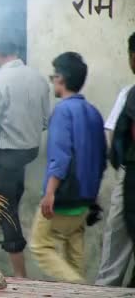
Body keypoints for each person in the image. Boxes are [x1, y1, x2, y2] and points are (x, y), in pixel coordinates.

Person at [30, 52, 106, 283]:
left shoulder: (63, 111)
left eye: (53, 76)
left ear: (61, 78)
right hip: (85, 199)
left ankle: (82, 290)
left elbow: (60, 157)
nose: (52, 80)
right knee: (74, 257)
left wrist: (50, 193)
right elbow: (102, 158)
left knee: (40, 246)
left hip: (64, 198)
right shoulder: (93, 112)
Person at [0, 38, 50, 278]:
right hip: (28, 152)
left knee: (5, 209)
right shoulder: (38, 78)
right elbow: (44, 120)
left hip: (5, 153)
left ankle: (20, 274)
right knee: (7, 202)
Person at [96, 32, 135, 287]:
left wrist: (120, 163)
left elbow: (112, 133)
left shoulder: (129, 94)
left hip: (131, 173)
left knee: (120, 232)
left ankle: (105, 289)